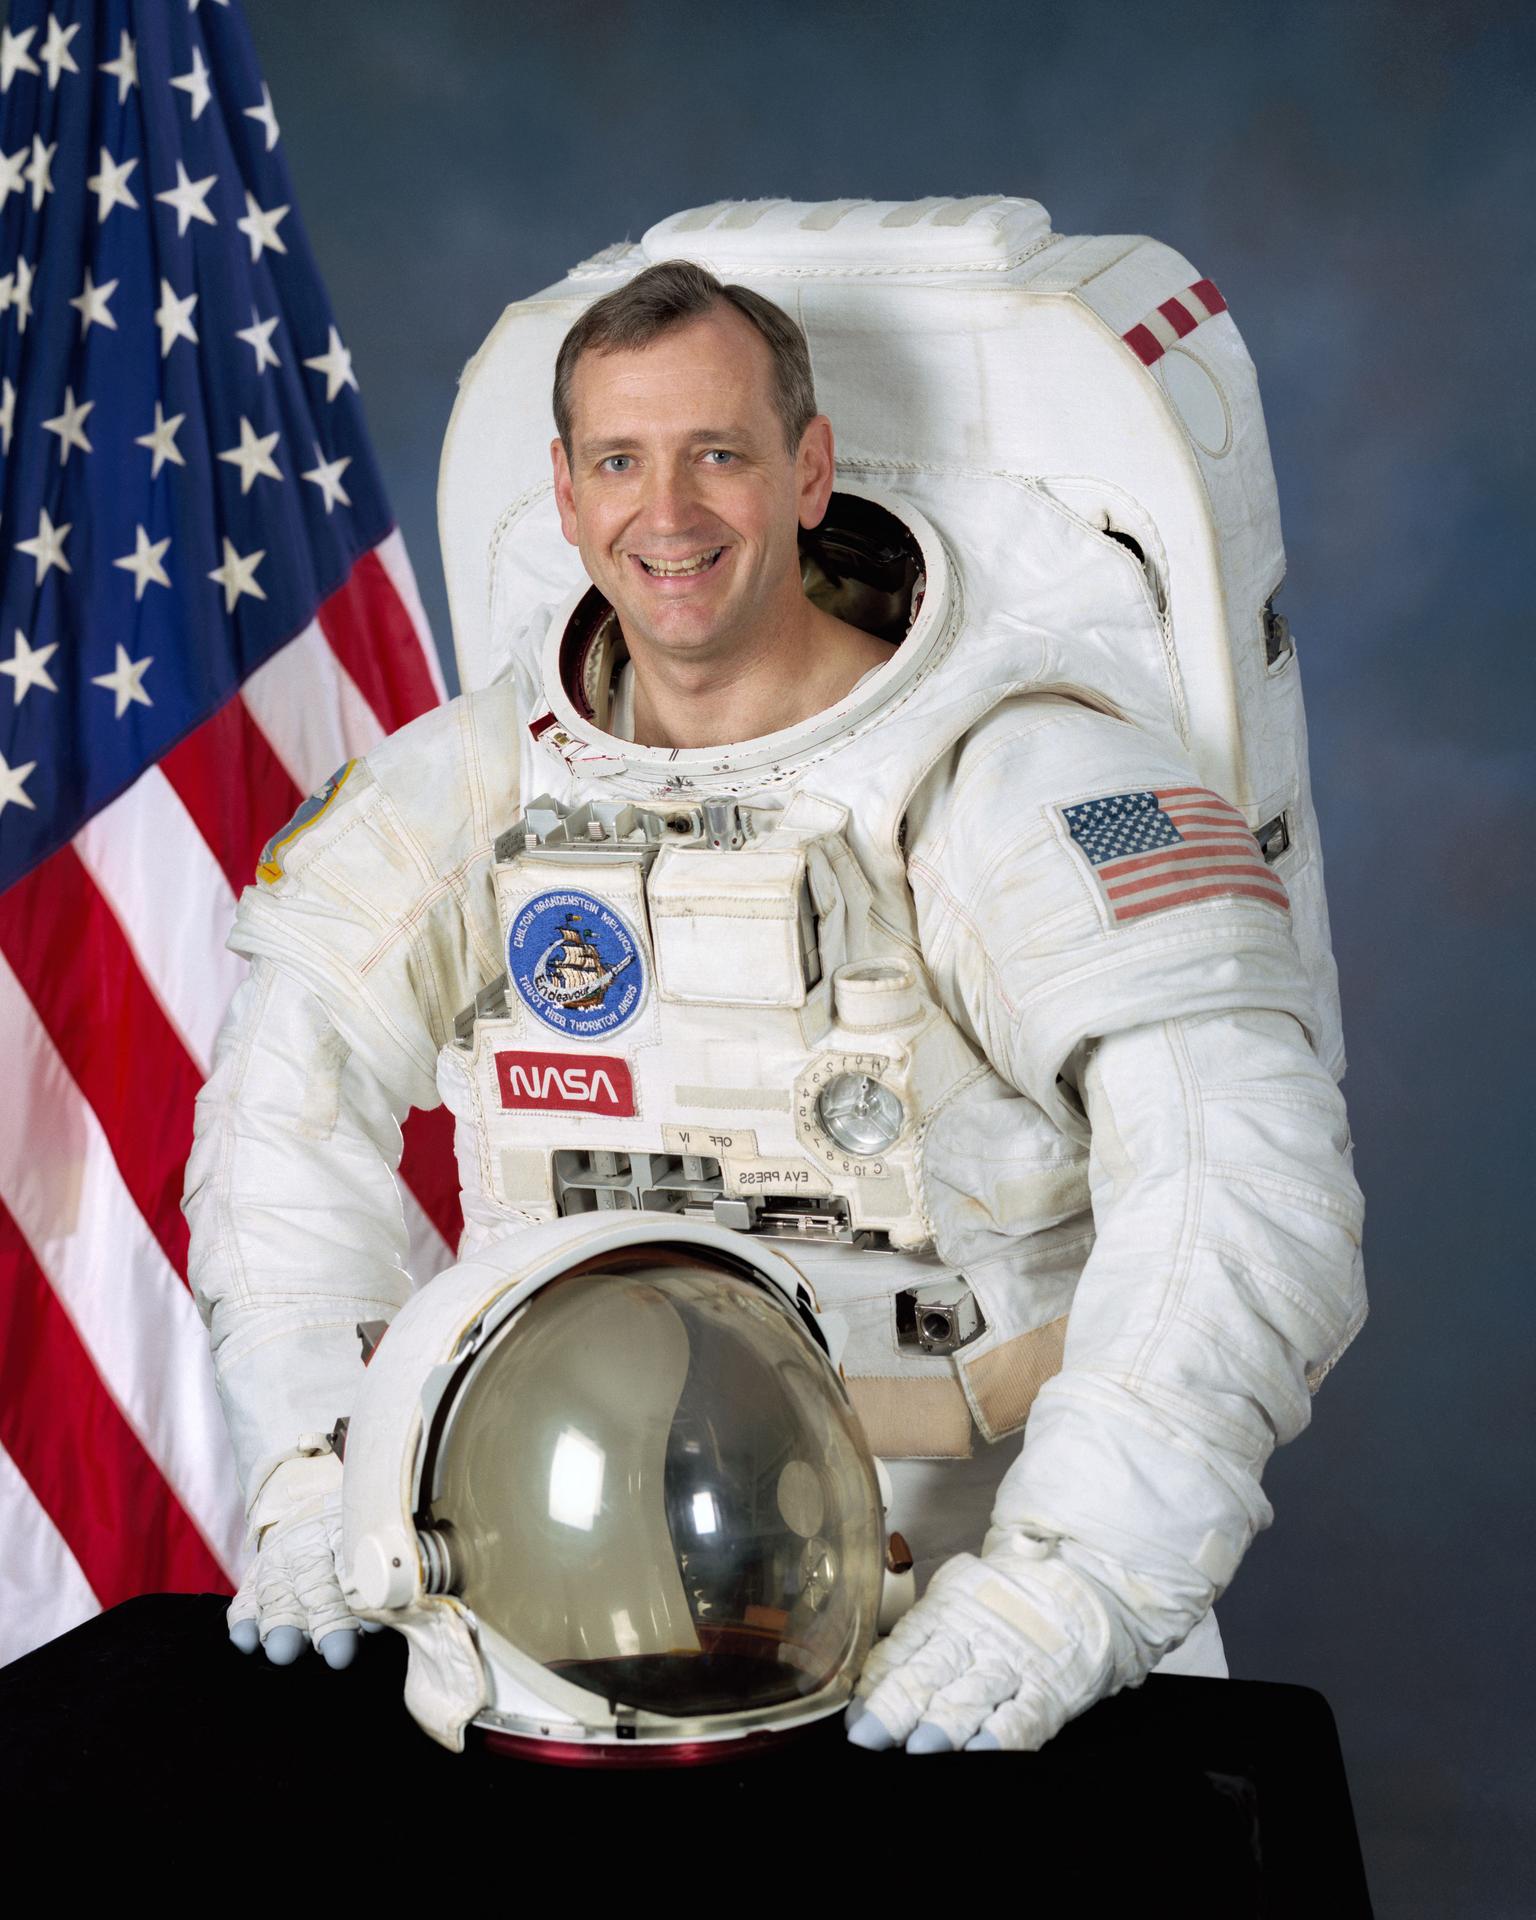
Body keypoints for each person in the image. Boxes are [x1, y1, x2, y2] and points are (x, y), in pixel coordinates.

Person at [184, 257, 1366, 1757]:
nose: (664, 514)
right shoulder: (467, 792)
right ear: (563, 492)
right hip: (572, 1616)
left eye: (717, 455)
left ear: (810, 471)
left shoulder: (1013, 782)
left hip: (976, 1604)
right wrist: (318, 1472)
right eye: (620, 460)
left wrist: (1069, 1587)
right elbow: (277, 1131)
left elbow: (1242, 1194)